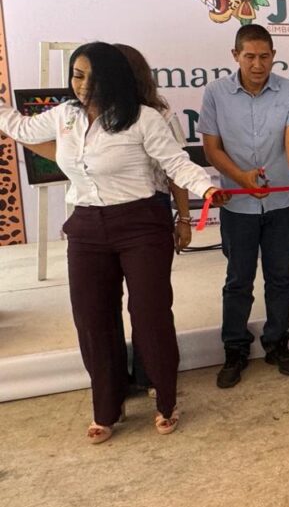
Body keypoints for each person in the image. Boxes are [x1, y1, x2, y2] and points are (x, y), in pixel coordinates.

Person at [0, 41, 222, 443]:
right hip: (86, 229)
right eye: (77, 75)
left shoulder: (143, 118)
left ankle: (165, 401)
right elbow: (20, 128)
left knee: (150, 314)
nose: (82, 85)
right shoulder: (65, 116)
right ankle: (107, 405)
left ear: (113, 78)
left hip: (141, 225)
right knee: (92, 319)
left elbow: (175, 163)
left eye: (92, 76)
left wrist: (206, 188)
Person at [23, 43, 193, 394]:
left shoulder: (155, 115)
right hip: (97, 214)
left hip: (147, 208)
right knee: (99, 309)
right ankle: (115, 384)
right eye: (83, 75)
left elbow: (177, 169)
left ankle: (151, 378)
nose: (90, 85)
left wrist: (184, 218)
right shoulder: (77, 116)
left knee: (148, 307)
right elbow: (62, 151)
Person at [199, 24, 289, 388]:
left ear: (274, 55)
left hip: (282, 204)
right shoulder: (215, 93)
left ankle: (277, 343)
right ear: (236, 55)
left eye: (265, 56)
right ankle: (235, 349)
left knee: (280, 278)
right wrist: (240, 178)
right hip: (238, 206)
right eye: (250, 56)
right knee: (238, 281)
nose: (258, 64)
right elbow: (211, 148)